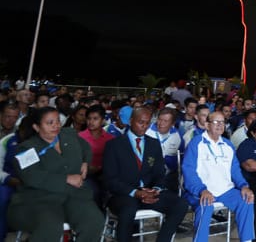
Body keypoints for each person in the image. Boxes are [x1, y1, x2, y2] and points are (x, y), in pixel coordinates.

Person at [7, 107, 104, 242]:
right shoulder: (27, 148)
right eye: (50, 123)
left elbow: (86, 148)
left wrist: (85, 162)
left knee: (94, 221)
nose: (56, 125)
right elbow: (31, 176)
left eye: (57, 121)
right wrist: (66, 178)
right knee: (50, 228)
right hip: (40, 199)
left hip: (73, 196)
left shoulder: (68, 134)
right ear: (36, 127)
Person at [102, 106, 189, 242]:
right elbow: (110, 180)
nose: (144, 126)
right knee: (128, 209)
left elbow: (160, 174)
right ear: (131, 121)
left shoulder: (153, 144)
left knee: (181, 204)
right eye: (140, 122)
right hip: (124, 194)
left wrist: (156, 189)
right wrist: (135, 193)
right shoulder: (114, 145)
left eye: (147, 123)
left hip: (149, 193)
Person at [182, 110, 256, 242]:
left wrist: (244, 186)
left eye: (222, 122)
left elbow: (235, 171)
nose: (220, 125)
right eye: (216, 122)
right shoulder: (196, 143)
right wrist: (201, 190)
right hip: (201, 190)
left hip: (225, 190)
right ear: (207, 125)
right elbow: (189, 171)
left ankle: (247, 240)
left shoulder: (228, 145)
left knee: (247, 199)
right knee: (206, 204)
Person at [78, 103, 116, 208]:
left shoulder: (110, 139)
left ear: (103, 120)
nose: (91, 122)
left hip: (105, 174)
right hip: (85, 174)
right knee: (94, 191)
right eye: (89, 118)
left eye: (95, 118)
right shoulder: (79, 137)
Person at [145, 107, 184, 191]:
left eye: (166, 121)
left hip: (169, 177)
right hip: (148, 176)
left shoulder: (177, 136)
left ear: (172, 123)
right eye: (159, 119)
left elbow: (181, 159)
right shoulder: (146, 132)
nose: (161, 123)